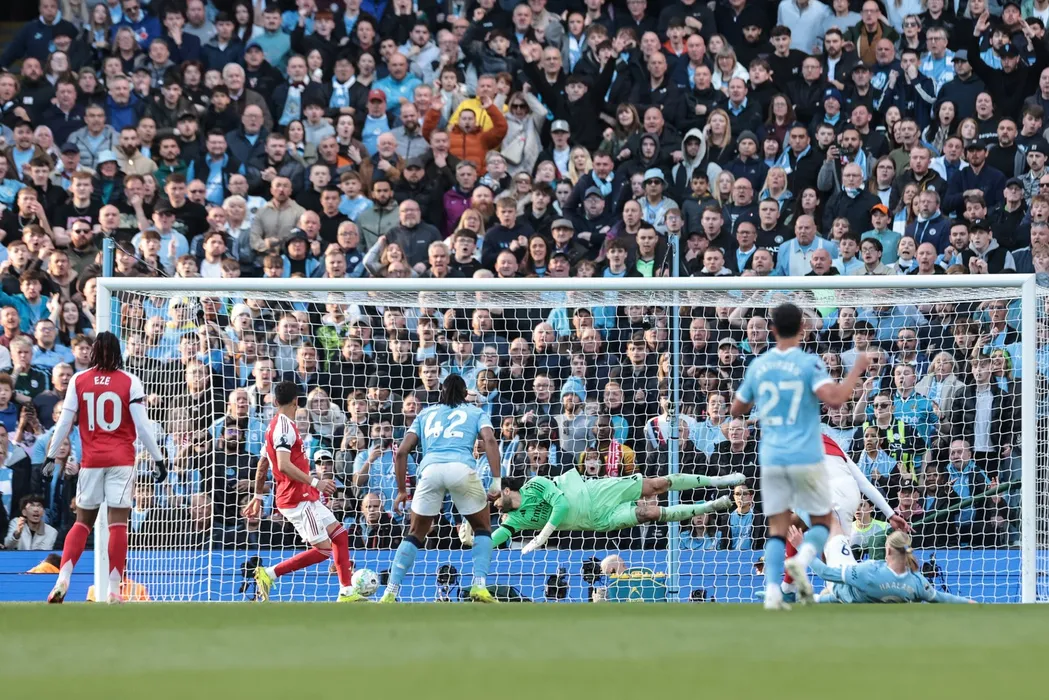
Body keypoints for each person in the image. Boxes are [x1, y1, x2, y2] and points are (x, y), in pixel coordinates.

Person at [730, 302, 871, 609]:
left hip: (772, 453)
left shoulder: (760, 365)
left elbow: (737, 409)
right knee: (821, 522)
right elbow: (836, 400)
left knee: (780, 526)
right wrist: (856, 370)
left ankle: (776, 591)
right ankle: (805, 563)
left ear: (772, 330)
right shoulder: (809, 364)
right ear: (802, 329)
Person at [44, 332, 168, 604]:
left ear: (93, 352)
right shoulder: (130, 381)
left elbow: (64, 422)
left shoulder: (79, 380)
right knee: (118, 524)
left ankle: (63, 578)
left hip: (91, 461)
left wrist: (51, 456)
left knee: (82, 523)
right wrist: (158, 459)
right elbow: (143, 426)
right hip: (122, 461)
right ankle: (114, 589)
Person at [380, 374, 503, 603]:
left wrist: (402, 491)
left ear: (441, 393)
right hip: (461, 469)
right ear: (465, 394)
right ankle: (479, 585)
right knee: (482, 528)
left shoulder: (425, 414)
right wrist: (496, 481)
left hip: (430, 471)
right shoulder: (476, 412)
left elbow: (402, 452)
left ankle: (390, 591)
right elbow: (490, 440)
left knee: (415, 533)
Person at [247, 381, 355, 602]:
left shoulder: (274, 426)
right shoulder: (284, 428)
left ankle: (347, 591)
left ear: (275, 401)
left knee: (340, 535)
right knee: (323, 550)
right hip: (296, 498)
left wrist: (257, 496)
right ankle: (269, 574)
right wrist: (316, 483)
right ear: (297, 401)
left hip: (305, 496)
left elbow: (262, 464)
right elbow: (283, 464)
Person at [492, 468, 743, 551]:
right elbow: (496, 537)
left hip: (597, 492)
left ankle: (717, 480)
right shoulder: (514, 519)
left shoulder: (535, 484)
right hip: (596, 520)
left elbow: (562, 505)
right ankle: (709, 507)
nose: (494, 505)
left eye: (494, 498)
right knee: (649, 514)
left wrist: (541, 537)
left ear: (506, 490)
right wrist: (477, 541)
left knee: (656, 486)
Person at [803, 530, 974, 604]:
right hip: (859, 598)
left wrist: (801, 546)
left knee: (833, 523)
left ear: (889, 550)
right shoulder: (917, 582)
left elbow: (825, 573)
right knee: (859, 594)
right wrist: (968, 602)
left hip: (842, 589)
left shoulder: (870, 572)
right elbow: (941, 598)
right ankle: (817, 599)